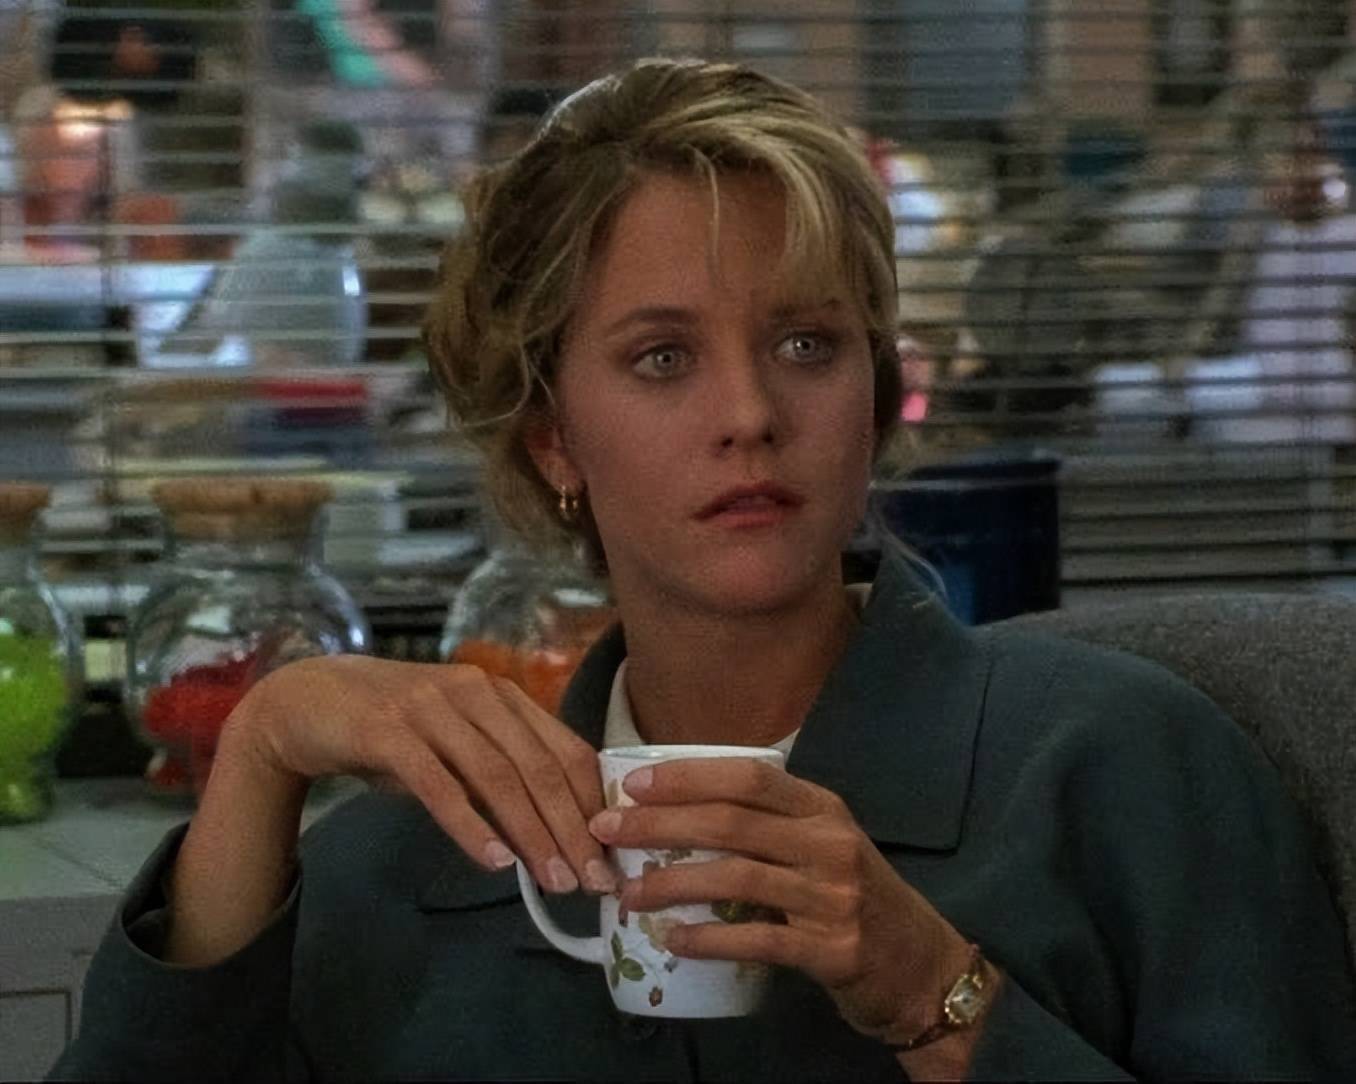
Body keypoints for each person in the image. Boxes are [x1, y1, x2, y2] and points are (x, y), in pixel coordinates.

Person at [51, 57, 1356, 1081]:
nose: (750, 414)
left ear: (874, 391)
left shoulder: (1127, 771)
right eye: (663, 359)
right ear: (554, 437)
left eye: (806, 345)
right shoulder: (412, 865)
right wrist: (264, 746)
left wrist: (940, 999)